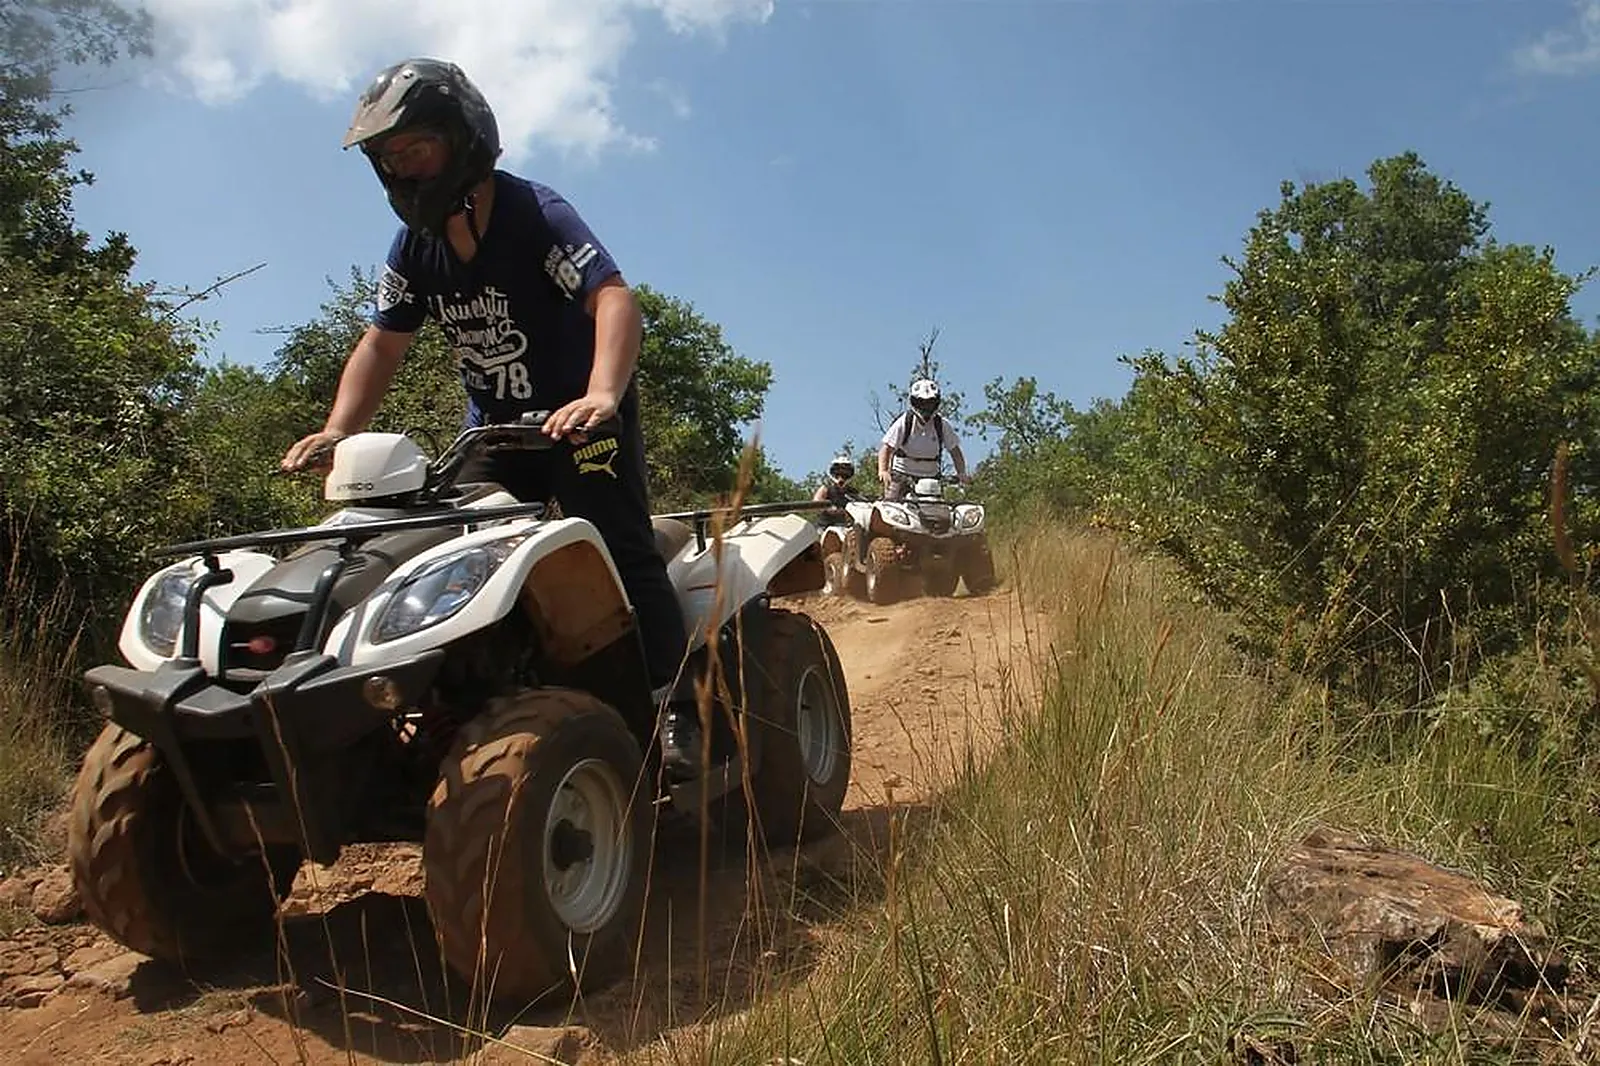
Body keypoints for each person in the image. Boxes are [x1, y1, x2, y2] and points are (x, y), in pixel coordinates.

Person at [278, 57, 698, 776]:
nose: (404, 168)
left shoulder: (534, 213)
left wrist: (602, 394)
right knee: (447, 548)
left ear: (463, 137)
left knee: (618, 542)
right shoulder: (415, 248)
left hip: (581, 419)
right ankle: (470, 704)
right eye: (390, 157)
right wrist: (339, 428)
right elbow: (382, 342)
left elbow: (614, 299)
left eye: (417, 148)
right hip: (496, 433)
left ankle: (675, 704)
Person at [877, 379, 969, 499]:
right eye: (922, 403)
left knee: (936, 508)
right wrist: (883, 471)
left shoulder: (942, 425)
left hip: (931, 478)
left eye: (930, 403)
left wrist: (961, 473)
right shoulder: (904, 422)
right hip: (902, 475)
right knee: (891, 506)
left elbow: (955, 451)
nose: (926, 407)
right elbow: (886, 448)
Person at [811, 454, 859, 522]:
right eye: (837, 473)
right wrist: (829, 508)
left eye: (845, 474)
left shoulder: (853, 492)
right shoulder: (825, 489)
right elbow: (816, 503)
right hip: (825, 525)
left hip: (847, 525)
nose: (841, 477)